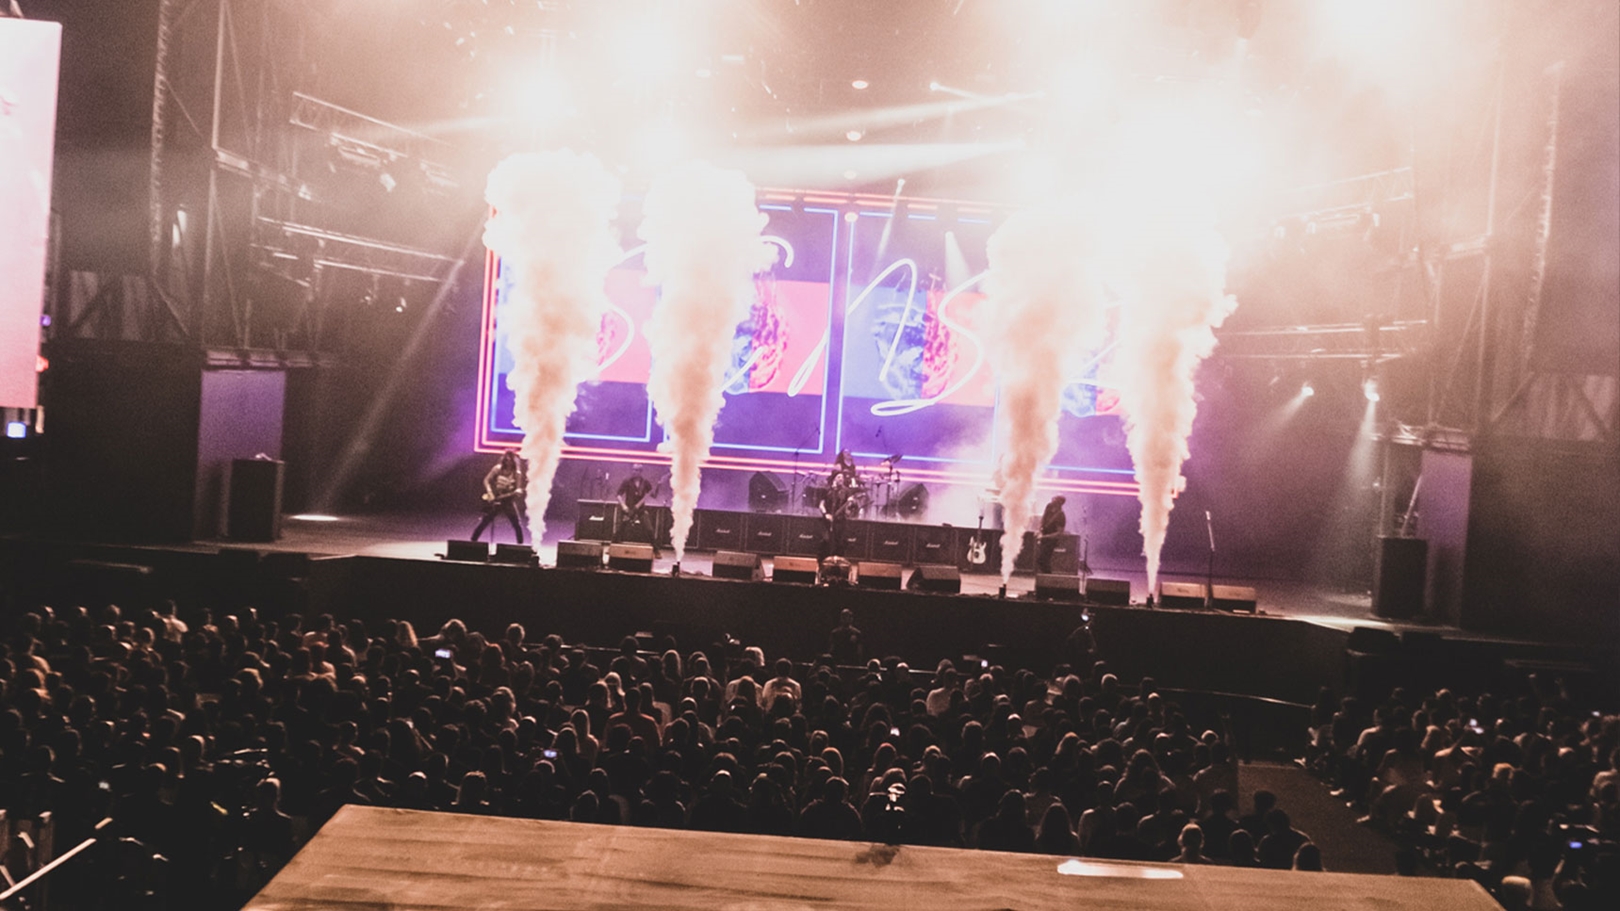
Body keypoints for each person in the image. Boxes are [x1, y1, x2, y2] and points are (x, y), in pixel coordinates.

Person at [471, 450, 527, 544]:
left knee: (516, 523)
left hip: (508, 500)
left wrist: (517, 491)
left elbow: (518, 488)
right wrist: (490, 492)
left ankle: (520, 546)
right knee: (485, 521)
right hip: (496, 499)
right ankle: (473, 542)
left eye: (510, 460)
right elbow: (486, 480)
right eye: (507, 460)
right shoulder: (498, 468)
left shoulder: (517, 473)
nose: (508, 462)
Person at [820, 473, 857, 560]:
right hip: (828, 521)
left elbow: (850, 507)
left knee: (840, 542)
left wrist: (850, 503)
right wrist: (825, 514)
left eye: (842, 477)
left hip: (841, 521)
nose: (841, 479)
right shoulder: (828, 490)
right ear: (834, 479)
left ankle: (839, 562)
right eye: (839, 477)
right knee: (826, 541)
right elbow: (821, 504)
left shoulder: (847, 491)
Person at [615, 465, 655, 543]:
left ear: (640, 472)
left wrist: (658, 486)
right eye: (633, 470)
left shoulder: (645, 482)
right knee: (619, 529)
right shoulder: (627, 481)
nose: (634, 472)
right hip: (628, 509)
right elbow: (618, 494)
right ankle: (614, 545)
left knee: (649, 529)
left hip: (640, 510)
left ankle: (655, 547)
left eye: (636, 470)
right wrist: (623, 505)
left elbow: (654, 495)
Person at [1036, 494, 1067, 574]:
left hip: (1051, 540)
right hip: (1044, 536)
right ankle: (1045, 576)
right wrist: (1039, 529)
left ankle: (1048, 577)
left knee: (1044, 559)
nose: (1052, 500)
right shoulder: (1049, 507)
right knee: (1041, 559)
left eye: (1055, 499)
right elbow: (1043, 518)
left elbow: (1059, 533)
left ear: (1059, 502)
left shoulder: (1061, 515)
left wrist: (1045, 537)